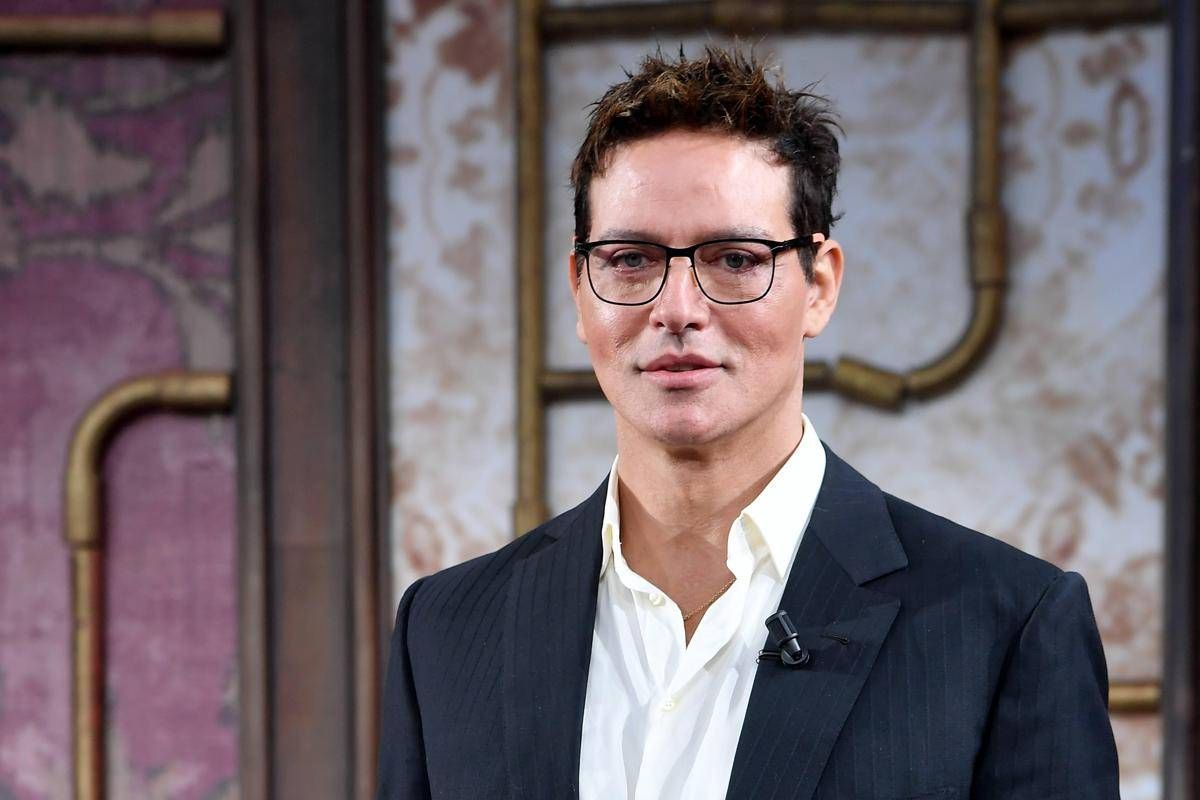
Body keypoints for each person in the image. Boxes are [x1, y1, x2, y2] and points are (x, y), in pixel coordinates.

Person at [376, 46, 1119, 800]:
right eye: (630, 260)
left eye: (734, 259)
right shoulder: (445, 629)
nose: (677, 309)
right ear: (579, 288)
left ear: (819, 285)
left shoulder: (1006, 624)